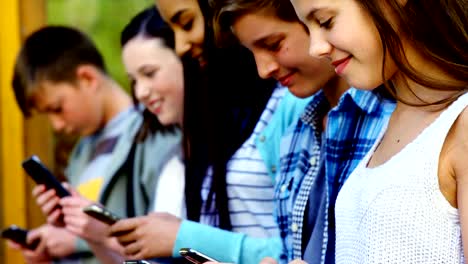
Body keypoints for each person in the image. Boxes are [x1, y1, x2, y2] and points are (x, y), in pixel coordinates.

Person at [109, 4, 309, 264]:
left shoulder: (290, 103)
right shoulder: (211, 123)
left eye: (187, 23)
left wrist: (183, 237)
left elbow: (300, 249)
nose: (181, 46)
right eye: (135, 81)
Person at [210, 0, 396, 263]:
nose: (263, 70)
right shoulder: (297, 132)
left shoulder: (396, 123)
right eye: (251, 52)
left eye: (273, 44)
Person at [290, 0, 468, 262]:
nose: (316, 48)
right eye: (307, 29)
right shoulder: (395, 117)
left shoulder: (461, 122)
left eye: (326, 21)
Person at [8, 25, 181, 264]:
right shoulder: (80, 153)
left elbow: (169, 240)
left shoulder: (157, 132)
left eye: (57, 109)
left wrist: (79, 240)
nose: (56, 125)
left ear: (87, 78)